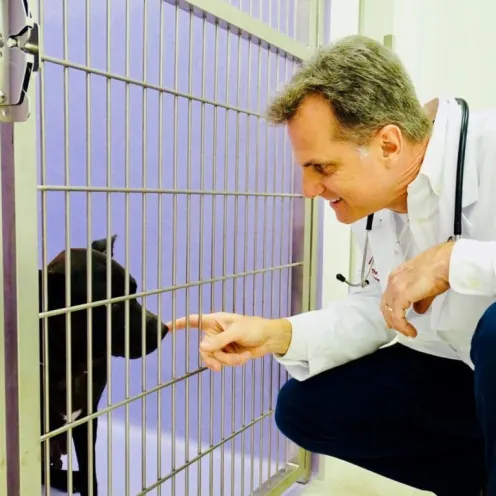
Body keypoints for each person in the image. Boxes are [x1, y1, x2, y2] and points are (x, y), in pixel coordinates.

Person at [170, 35, 496, 496]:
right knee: (307, 408)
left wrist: (453, 260)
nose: (307, 189)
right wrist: (279, 333)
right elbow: (381, 305)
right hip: (467, 375)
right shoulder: (386, 198)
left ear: (387, 143)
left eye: (321, 168)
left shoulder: (490, 145)